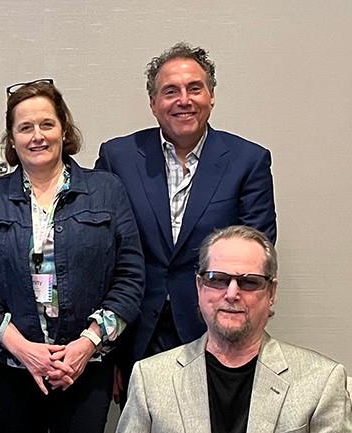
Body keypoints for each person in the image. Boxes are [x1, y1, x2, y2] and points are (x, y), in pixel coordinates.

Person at [94, 42, 277, 398]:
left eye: (195, 88)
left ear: (211, 96)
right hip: (136, 330)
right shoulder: (118, 157)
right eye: (170, 91)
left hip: (215, 329)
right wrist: (109, 351)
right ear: (153, 103)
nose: (184, 100)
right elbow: (102, 254)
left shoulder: (248, 160)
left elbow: (257, 253)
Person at [0, 79, 145, 432]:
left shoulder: (106, 190)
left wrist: (87, 344)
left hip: (87, 367)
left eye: (47, 124)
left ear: (63, 128)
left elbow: (130, 277)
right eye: (25, 127)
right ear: (12, 138)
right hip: (12, 367)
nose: (37, 136)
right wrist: (21, 347)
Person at [116, 226, 352, 432]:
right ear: (200, 287)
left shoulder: (321, 381)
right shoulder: (150, 379)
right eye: (217, 279)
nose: (232, 294)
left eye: (249, 282)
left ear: (271, 293)